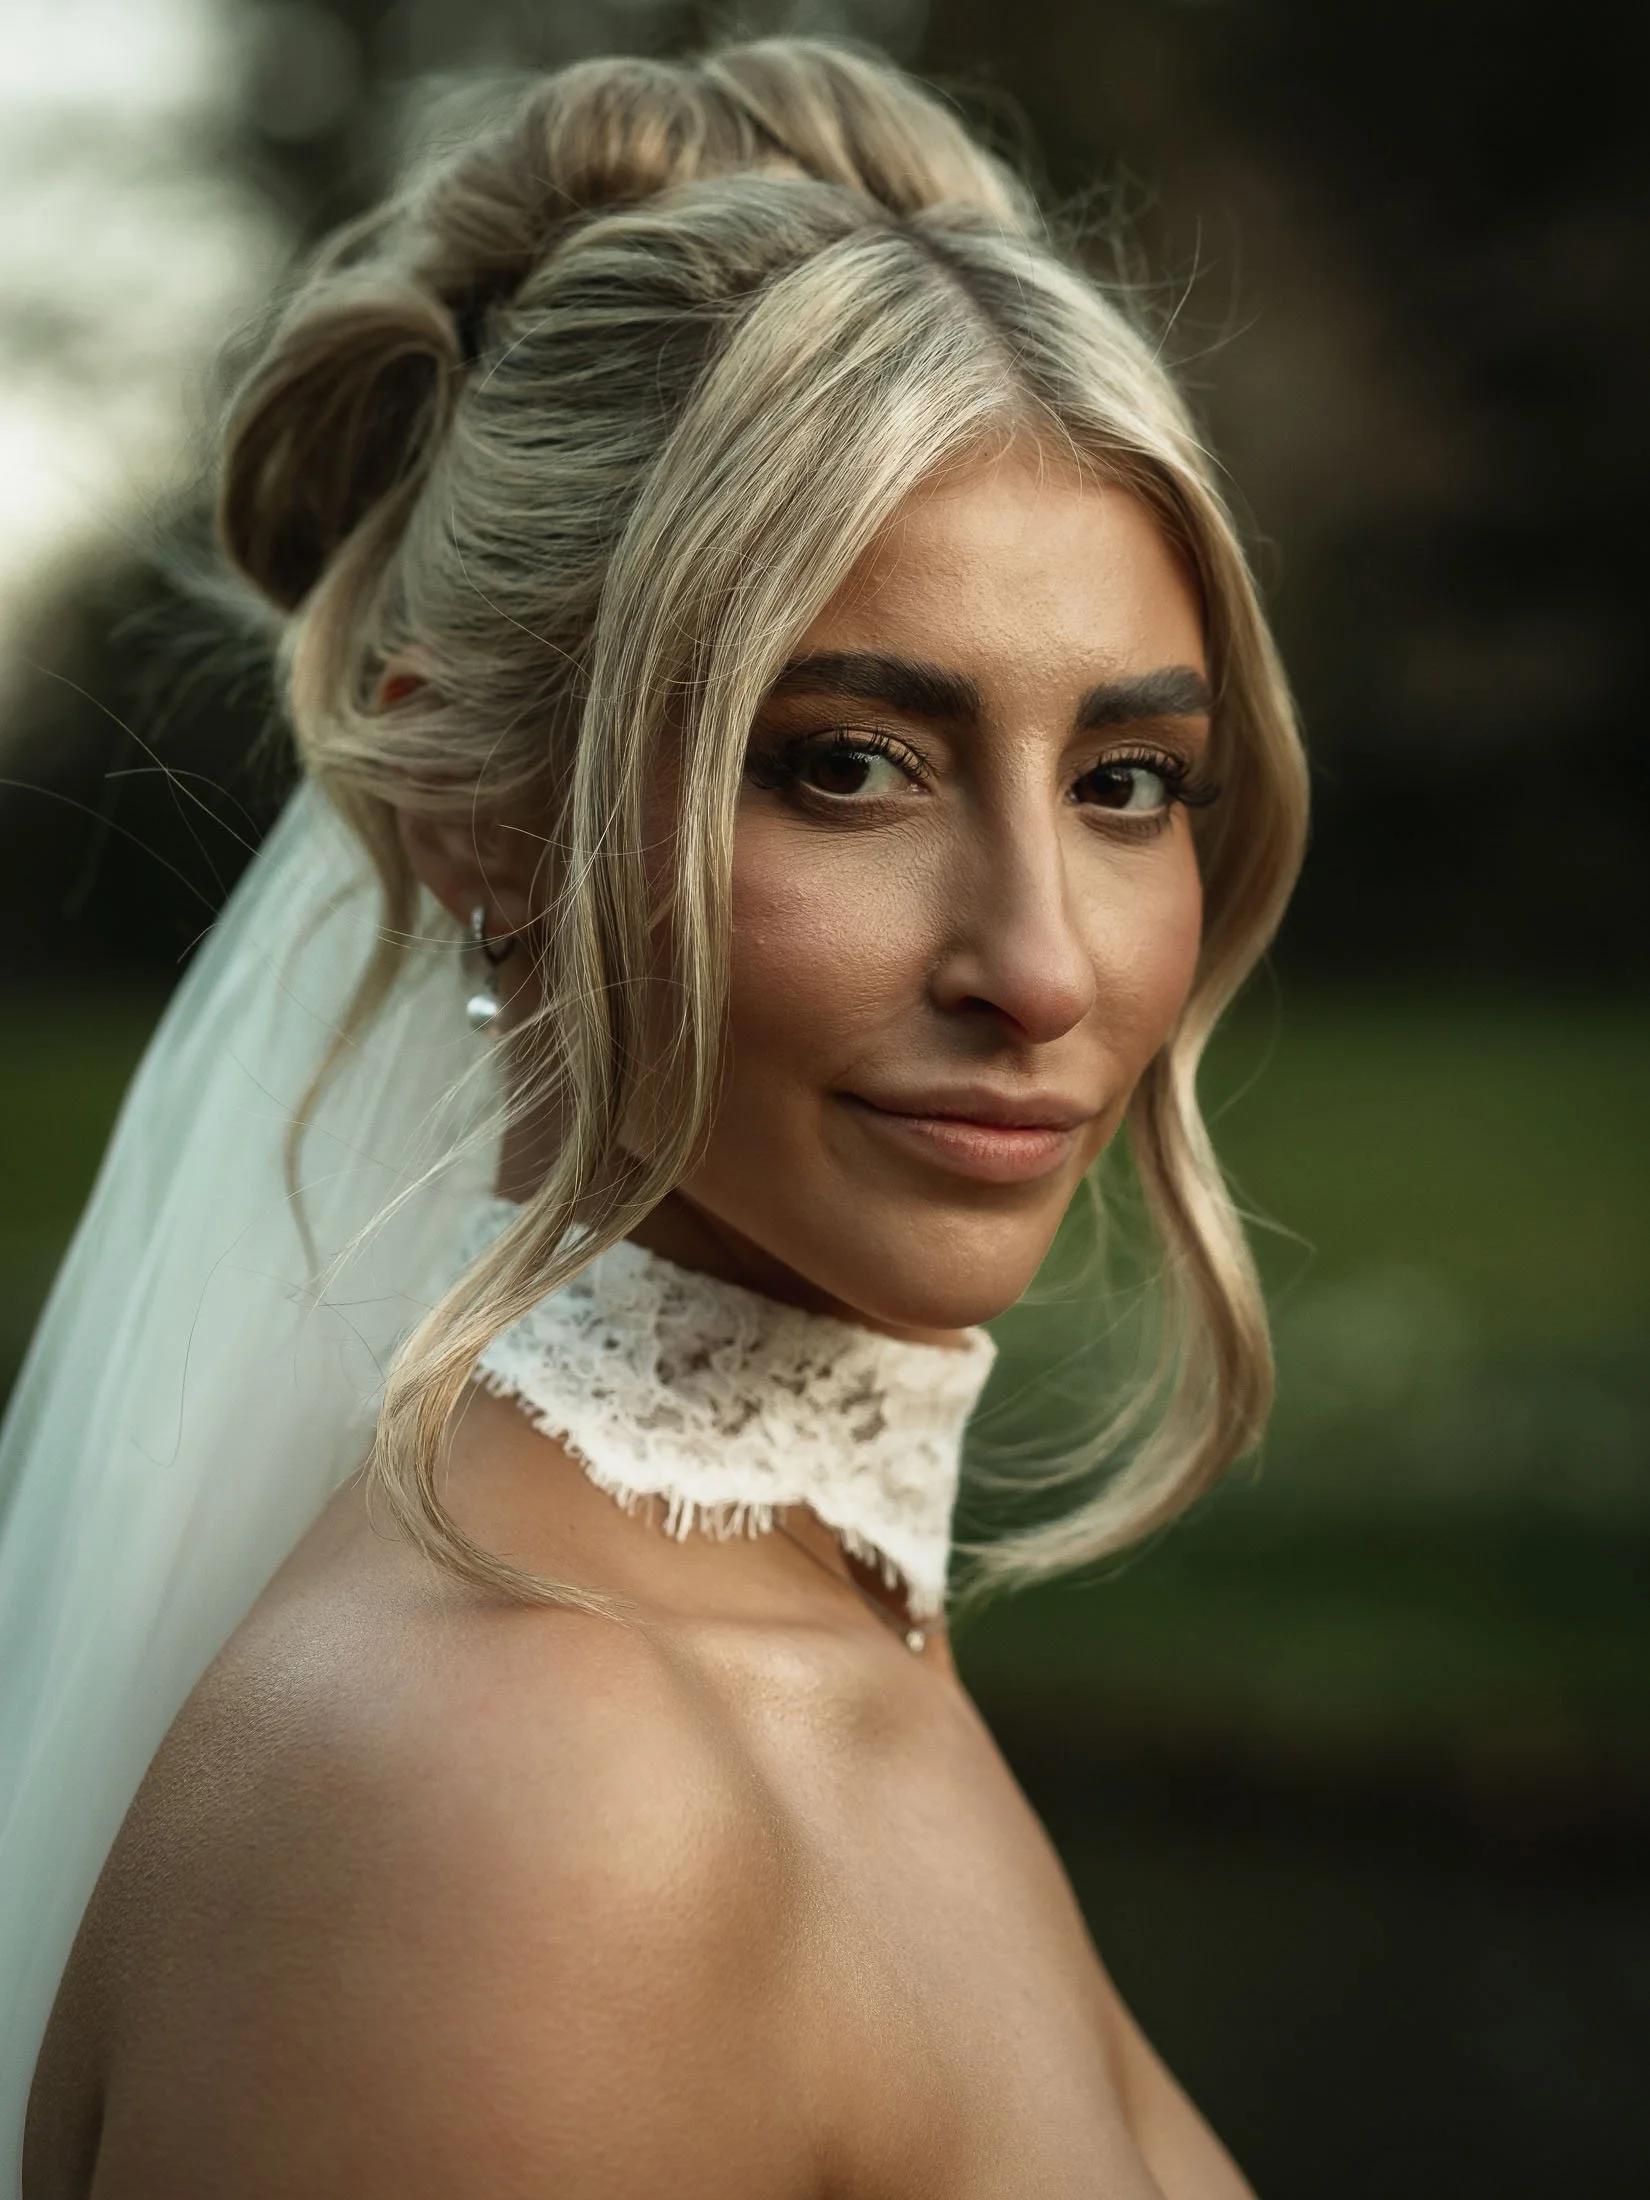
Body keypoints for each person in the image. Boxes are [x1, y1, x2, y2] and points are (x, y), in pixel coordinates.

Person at [4, 36, 1307, 2198]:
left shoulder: (801, 1617)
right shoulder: (521, 1783)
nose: (1047, 962)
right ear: (481, 817)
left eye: (1124, 780)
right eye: (848, 761)